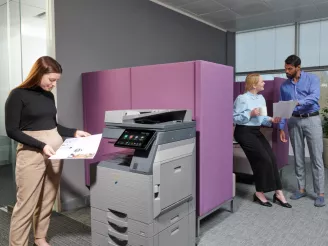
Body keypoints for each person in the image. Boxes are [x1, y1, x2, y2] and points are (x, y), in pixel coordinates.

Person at [5, 56, 91, 246]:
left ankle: (40, 238)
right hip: (31, 153)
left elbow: (53, 126)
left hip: (55, 154)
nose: (53, 84)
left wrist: (74, 132)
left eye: (56, 81)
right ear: (39, 73)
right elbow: (11, 130)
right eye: (51, 80)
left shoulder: (48, 96)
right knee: (26, 203)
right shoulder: (18, 95)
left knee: (48, 198)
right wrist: (41, 145)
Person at [233, 73, 291, 208]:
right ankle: (260, 193)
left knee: (271, 158)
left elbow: (263, 118)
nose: (264, 83)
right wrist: (250, 114)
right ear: (254, 84)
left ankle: (278, 192)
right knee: (262, 159)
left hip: (255, 131)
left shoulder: (261, 98)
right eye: (261, 82)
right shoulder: (242, 99)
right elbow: (234, 118)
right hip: (243, 132)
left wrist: (272, 119)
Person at [279, 55, 325, 207]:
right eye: (285, 68)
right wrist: (281, 128)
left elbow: (314, 97)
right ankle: (301, 188)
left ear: (298, 67)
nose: (286, 71)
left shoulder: (312, 79)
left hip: (312, 120)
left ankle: (320, 193)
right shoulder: (284, 86)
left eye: (289, 68)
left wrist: (299, 102)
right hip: (293, 120)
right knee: (298, 156)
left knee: (316, 158)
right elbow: (283, 106)